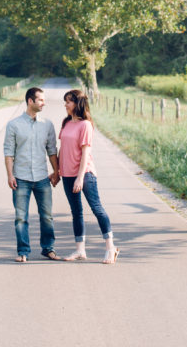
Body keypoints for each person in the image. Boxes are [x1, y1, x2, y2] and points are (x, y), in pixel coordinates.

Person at [59, 89, 119, 264]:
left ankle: (110, 248)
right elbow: (63, 149)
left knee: (96, 208)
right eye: (65, 101)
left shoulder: (85, 125)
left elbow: (86, 153)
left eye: (68, 101)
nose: (65, 105)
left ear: (77, 103)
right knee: (76, 212)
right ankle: (80, 250)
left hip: (84, 174)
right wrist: (57, 172)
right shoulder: (66, 122)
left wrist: (79, 177)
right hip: (67, 174)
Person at [3, 86, 61, 262]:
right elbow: (8, 153)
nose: (44, 103)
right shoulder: (14, 125)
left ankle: (48, 249)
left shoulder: (47, 125)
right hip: (21, 178)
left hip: (42, 178)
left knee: (47, 217)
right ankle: (23, 252)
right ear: (30, 101)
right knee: (21, 218)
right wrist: (10, 175)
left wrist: (56, 172)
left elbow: (52, 151)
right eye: (41, 100)